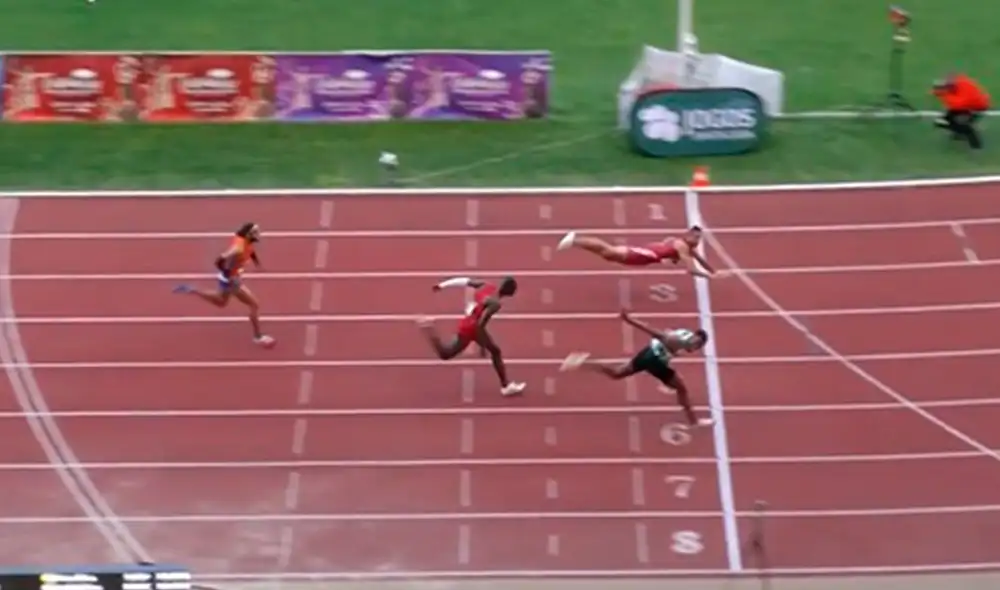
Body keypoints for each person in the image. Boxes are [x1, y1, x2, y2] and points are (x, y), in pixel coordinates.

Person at [560, 309, 714, 428]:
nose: (696, 347)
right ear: (697, 339)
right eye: (698, 344)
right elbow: (659, 334)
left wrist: (673, 351)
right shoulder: (681, 339)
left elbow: (668, 337)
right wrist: (631, 320)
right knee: (682, 388)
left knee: (617, 373)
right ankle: (693, 421)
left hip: (647, 354)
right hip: (655, 361)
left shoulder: (685, 333)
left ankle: (583, 363)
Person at [417, 276, 526, 397]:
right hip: (472, 328)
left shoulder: (487, 285)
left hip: (469, 322)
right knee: (445, 354)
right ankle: (428, 327)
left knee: (495, 351)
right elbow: (481, 324)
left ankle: (506, 385)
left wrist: (443, 285)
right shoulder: (495, 304)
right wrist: (483, 347)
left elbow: (464, 281)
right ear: (509, 291)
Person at [172, 222, 275, 348]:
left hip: (228, 279)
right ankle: (258, 337)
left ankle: (192, 290)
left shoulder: (245, 241)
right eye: (256, 232)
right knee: (254, 304)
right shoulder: (239, 248)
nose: (259, 234)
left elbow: (251, 251)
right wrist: (228, 274)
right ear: (248, 235)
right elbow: (219, 259)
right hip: (231, 280)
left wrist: (257, 264)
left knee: (221, 302)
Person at [556, 226, 724, 279]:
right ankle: (575, 240)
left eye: (699, 239)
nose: (697, 241)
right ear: (689, 236)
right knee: (609, 251)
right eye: (696, 238)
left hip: (645, 255)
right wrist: (709, 277)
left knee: (608, 255)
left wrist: (714, 271)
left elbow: (700, 259)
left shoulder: (685, 246)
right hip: (643, 254)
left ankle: (576, 241)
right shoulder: (682, 247)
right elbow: (691, 269)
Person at [932, 74, 989, 150]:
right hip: (969, 105)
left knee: (961, 126)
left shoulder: (960, 97)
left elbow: (958, 105)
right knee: (942, 121)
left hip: (975, 107)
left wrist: (943, 94)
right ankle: (961, 133)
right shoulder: (961, 83)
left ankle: (975, 146)